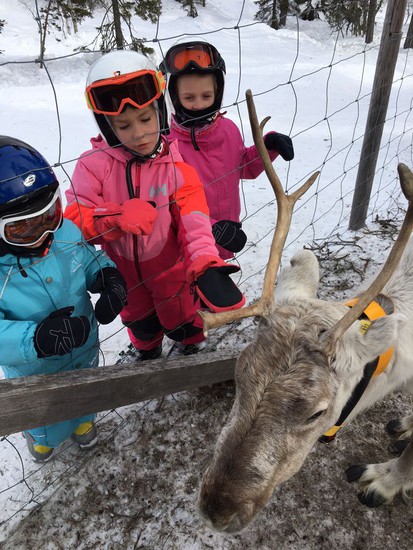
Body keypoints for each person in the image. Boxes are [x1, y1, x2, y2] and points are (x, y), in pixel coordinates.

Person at [64, 50, 245, 362]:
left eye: (146, 119)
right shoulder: (93, 166)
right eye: (123, 126)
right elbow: (74, 220)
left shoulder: (176, 166)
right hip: (123, 273)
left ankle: (190, 345)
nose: (139, 134)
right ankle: (146, 351)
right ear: (107, 127)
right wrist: (114, 218)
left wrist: (205, 263)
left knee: (182, 316)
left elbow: (196, 222)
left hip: (170, 271)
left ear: (160, 110)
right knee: (139, 320)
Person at [0, 136, 128, 462]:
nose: (45, 234)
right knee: (47, 415)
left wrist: (106, 276)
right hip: (36, 373)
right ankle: (42, 441)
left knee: (87, 393)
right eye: (22, 229)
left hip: (84, 348)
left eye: (50, 215)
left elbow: (85, 259)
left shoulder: (66, 232)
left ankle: (84, 423)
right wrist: (36, 340)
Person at [160, 39, 295, 260]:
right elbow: (169, 205)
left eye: (206, 96)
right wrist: (211, 228)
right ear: (175, 98)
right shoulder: (167, 145)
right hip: (186, 249)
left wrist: (267, 147)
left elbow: (242, 167)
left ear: (218, 93)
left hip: (224, 239)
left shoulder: (228, 130)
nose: (199, 104)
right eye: (189, 98)